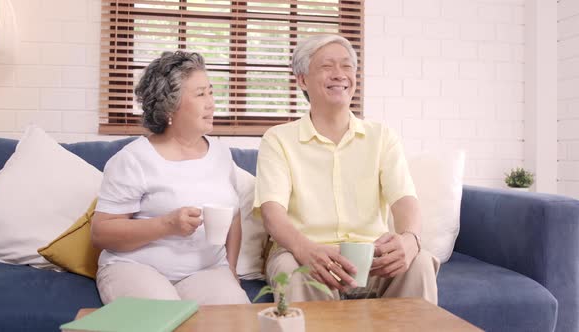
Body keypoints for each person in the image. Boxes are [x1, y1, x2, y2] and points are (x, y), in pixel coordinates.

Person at [254, 35, 439, 304]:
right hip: (304, 253)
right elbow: (273, 214)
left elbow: (404, 200)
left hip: (371, 259)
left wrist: (410, 239)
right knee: (293, 271)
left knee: (419, 262)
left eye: (347, 66)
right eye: (327, 66)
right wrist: (305, 250)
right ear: (302, 80)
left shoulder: (382, 136)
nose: (339, 74)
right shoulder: (278, 139)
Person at [91, 51, 249, 305]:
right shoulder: (133, 159)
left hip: (206, 271)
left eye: (211, 92)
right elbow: (101, 233)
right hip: (137, 268)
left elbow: (235, 215)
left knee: (237, 319)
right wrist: (167, 224)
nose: (212, 103)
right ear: (170, 106)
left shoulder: (220, 153)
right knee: (162, 320)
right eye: (200, 95)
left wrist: (230, 269)